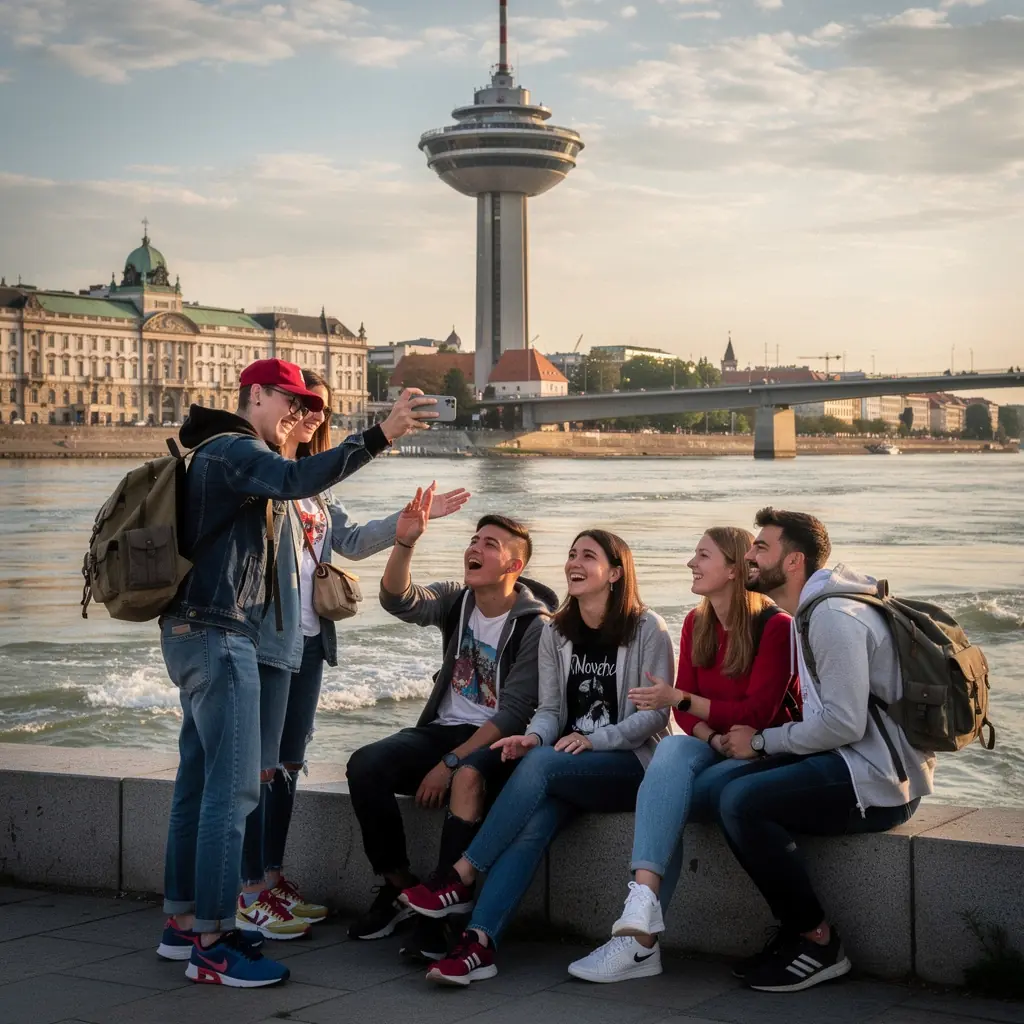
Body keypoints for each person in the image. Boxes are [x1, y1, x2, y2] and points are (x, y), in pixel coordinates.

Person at [155, 358, 434, 988]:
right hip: (223, 634)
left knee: (197, 784)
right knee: (232, 794)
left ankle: (182, 926)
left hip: (195, 631)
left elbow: (311, 505)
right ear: (255, 395)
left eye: (309, 405)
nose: (302, 414)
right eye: (291, 400)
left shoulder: (215, 452)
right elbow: (296, 477)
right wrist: (380, 434)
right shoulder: (236, 450)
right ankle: (215, 944)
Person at [236, 369, 471, 941]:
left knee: (290, 764)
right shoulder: (271, 473)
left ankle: (273, 878)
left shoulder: (315, 488)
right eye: (303, 402)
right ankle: (248, 893)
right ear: (278, 404)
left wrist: (410, 523)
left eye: (321, 404)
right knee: (260, 768)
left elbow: (352, 541)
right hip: (270, 636)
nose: (314, 412)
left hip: (313, 637)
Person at [401, 529, 674, 987]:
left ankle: (462, 874)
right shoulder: (557, 631)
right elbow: (549, 711)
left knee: (543, 763)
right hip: (572, 765)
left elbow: (654, 716)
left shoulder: (647, 628)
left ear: (615, 572)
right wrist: (532, 737)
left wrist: (594, 740)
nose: (575, 562)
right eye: (571, 554)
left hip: (631, 764)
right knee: (533, 823)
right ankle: (479, 945)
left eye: (589, 556)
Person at [712, 508, 935, 993]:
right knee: (722, 786)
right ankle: (795, 933)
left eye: (761, 548)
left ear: (793, 562)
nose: (749, 556)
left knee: (740, 801)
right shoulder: (812, 610)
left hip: (877, 781)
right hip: (851, 762)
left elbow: (843, 724)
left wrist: (763, 742)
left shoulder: (832, 616)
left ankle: (817, 941)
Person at [568, 526, 799, 984]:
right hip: (718, 746)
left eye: (702, 556)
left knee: (664, 793)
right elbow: (685, 716)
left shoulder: (776, 627)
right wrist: (711, 737)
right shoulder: (697, 623)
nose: (691, 564)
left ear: (734, 569)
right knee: (672, 749)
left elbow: (757, 711)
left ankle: (640, 942)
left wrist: (685, 703)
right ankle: (641, 910)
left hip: (763, 754)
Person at [345, 492, 557, 960]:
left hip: (497, 743)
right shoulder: (456, 600)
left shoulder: (534, 625)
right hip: (443, 728)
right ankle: (401, 888)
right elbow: (398, 600)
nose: (476, 548)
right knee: (366, 765)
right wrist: (404, 544)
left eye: (491, 544)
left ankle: (438, 915)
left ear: (513, 566)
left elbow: (514, 713)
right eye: (475, 539)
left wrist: (451, 761)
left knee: (464, 778)